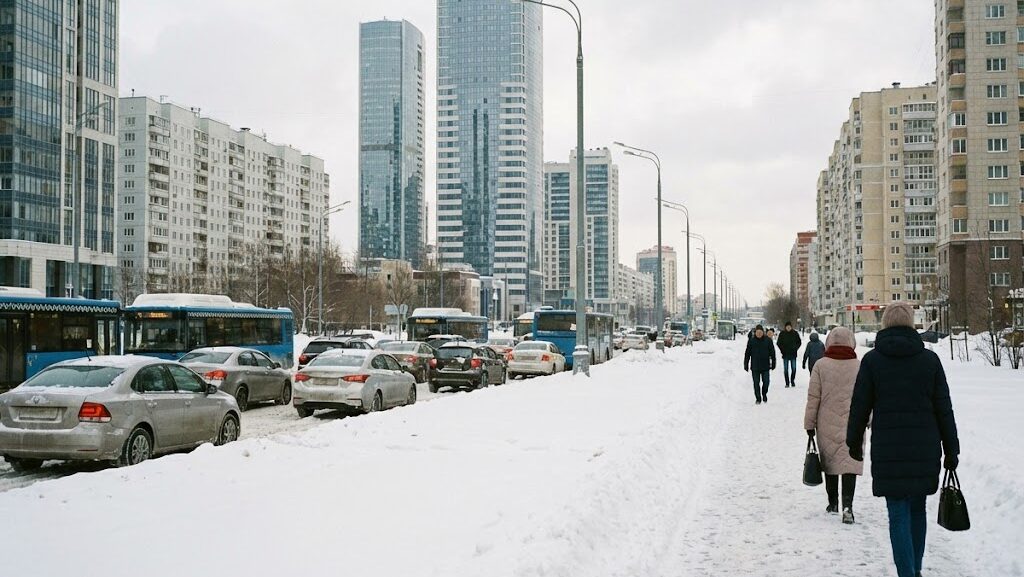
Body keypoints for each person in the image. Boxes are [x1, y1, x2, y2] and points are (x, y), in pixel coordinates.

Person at [847, 303, 960, 577]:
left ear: (884, 324)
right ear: (912, 325)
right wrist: (951, 448)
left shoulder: (873, 361)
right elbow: (943, 407)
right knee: (917, 509)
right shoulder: (929, 361)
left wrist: (854, 442)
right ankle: (915, 569)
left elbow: (859, 405)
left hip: (889, 450)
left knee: (897, 512)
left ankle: (907, 573)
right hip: (925, 448)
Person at [804, 327, 862, 524]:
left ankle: (833, 502)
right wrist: (870, 419)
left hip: (826, 421)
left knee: (829, 461)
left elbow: (814, 398)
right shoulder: (859, 366)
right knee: (849, 463)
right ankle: (848, 506)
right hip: (854, 423)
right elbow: (867, 397)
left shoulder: (820, 365)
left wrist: (809, 424)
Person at [743, 324, 776, 404]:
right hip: (755, 366)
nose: (759, 334)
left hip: (765, 366)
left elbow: (772, 353)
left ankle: (764, 393)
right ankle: (758, 398)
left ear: (763, 332)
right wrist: (746, 364)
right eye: (757, 332)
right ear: (755, 332)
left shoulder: (768, 340)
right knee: (756, 383)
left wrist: (774, 363)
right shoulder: (751, 341)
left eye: (760, 332)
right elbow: (747, 353)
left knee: (766, 382)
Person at [777, 321, 803, 387]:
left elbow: (799, 342)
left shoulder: (795, 333)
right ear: (785, 327)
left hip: (793, 354)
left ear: (791, 327)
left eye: (789, 326)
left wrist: (795, 348)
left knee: (794, 369)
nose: (788, 328)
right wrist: (782, 350)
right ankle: (787, 383)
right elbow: (778, 343)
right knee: (786, 369)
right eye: (787, 327)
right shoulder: (782, 334)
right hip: (785, 354)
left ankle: (792, 380)